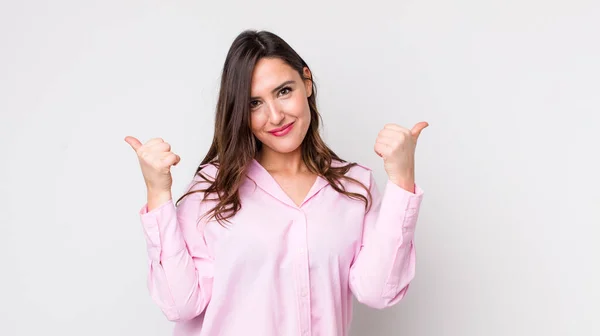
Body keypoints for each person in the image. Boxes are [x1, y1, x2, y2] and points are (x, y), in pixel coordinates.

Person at [125, 30, 428, 336]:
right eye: (254, 103)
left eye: (283, 91)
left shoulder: (354, 186)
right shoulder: (212, 189)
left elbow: (377, 291)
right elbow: (180, 305)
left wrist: (402, 180)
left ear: (306, 83)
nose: (275, 116)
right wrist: (158, 193)